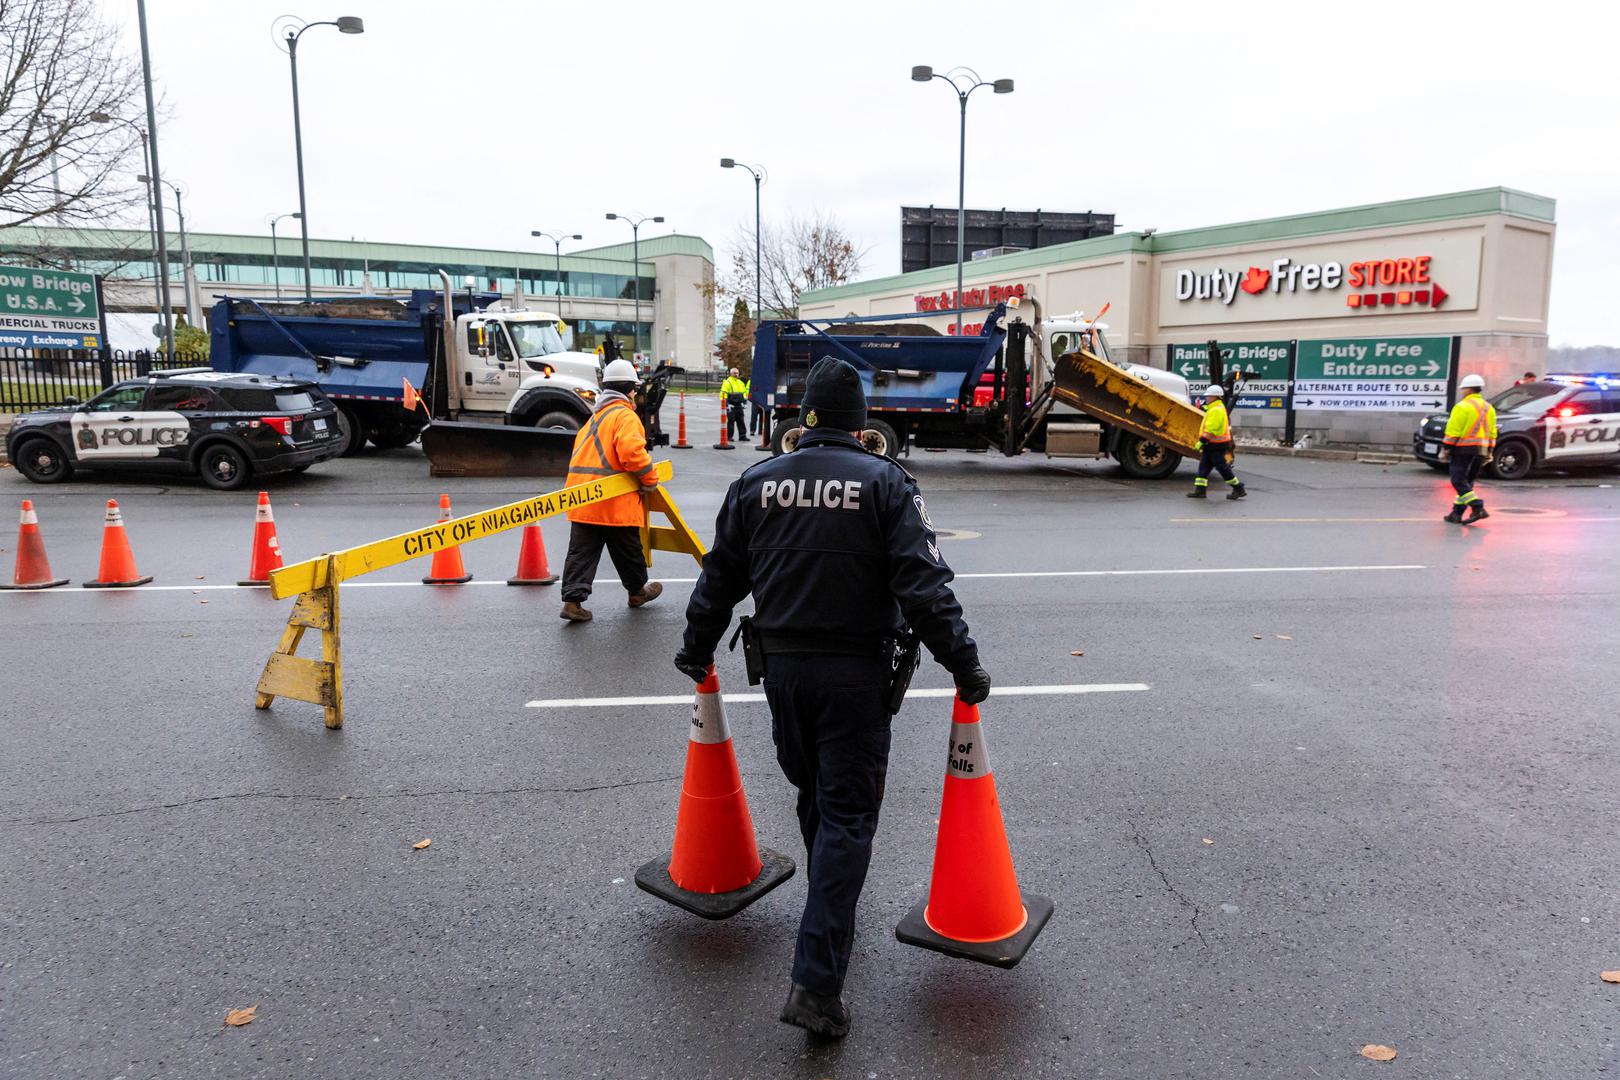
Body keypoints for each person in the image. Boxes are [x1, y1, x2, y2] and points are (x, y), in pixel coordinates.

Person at [673, 357, 990, 1039]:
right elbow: (925, 588)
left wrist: (696, 648)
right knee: (847, 818)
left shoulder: (755, 483)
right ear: (860, 424)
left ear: (803, 418)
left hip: (783, 678)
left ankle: (828, 911)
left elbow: (719, 577)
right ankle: (817, 984)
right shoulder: (886, 484)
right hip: (855, 678)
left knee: (816, 799)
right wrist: (965, 665)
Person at [558, 358, 663, 621]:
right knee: (628, 550)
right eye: (635, 390)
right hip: (613, 500)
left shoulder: (596, 417)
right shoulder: (624, 415)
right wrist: (650, 479)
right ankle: (637, 592)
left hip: (583, 498)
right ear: (630, 390)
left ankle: (572, 603)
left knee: (581, 553)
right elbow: (632, 453)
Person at [1438, 373, 1497, 523]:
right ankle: (1456, 514)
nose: (1462, 391)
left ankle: (1478, 507)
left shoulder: (1462, 406)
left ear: (1469, 390)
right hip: (1481, 450)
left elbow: (1453, 431)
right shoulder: (1489, 408)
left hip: (1463, 449)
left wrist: (1446, 449)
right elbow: (1492, 432)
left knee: (1457, 481)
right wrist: (1490, 451)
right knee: (1467, 482)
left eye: (1463, 389)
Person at [1187, 384, 1246, 500]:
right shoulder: (1217, 408)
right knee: (1204, 467)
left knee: (1222, 467)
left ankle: (1238, 488)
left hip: (1215, 444)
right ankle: (1200, 490)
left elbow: (1211, 429)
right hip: (1213, 444)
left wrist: (1201, 442)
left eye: (1208, 396)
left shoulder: (1215, 411)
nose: (1206, 398)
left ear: (1215, 397)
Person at [720, 366, 750, 443]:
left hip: (739, 405)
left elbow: (744, 394)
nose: (736, 374)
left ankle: (742, 436)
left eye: (737, 373)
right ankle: (729, 436)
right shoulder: (727, 382)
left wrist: (745, 402)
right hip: (731, 405)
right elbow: (723, 394)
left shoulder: (740, 383)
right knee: (731, 422)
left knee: (741, 421)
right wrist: (726, 405)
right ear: (730, 373)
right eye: (734, 373)